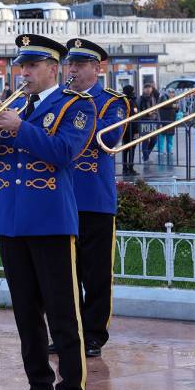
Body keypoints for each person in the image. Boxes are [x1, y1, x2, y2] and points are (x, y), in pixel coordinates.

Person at [0, 34, 95, 390]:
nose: (23, 73)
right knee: (26, 313)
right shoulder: (17, 106)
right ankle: (39, 388)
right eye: (21, 66)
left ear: (53, 69)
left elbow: (63, 152)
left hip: (50, 220)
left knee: (62, 312)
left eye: (32, 66)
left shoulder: (76, 106)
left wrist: (19, 126)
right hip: (10, 219)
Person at [64, 38, 127, 358]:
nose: (71, 69)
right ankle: (68, 331)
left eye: (79, 64)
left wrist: (71, 115)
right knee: (64, 274)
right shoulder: (58, 100)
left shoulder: (113, 101)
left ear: (97, 68)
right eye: (70, 64)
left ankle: (93, 333)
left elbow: (108, 136)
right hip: (62, 199)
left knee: (96, 273)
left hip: (95, 198)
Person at [135, 83, 159, 164]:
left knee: (154, 140)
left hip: (153, 121)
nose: (148, 89)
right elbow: (138, 112)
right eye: (147, 88)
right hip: (144, 121)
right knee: (145, 141)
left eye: (150, 88)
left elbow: (156, 110)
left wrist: (158, 121)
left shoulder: (153, 98)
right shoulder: (140, 99)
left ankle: (146, 155)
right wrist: (146, 114)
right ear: (144, 89)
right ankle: (146, 158)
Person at [119, 83, 138, 176]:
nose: (134, 93)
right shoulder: (124, 102)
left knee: (132, 148)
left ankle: (130, 167)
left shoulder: (132, 101)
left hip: (133, 128)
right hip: (127, 128)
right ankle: (126, 167)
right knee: (126, 148)